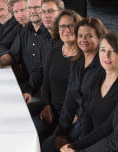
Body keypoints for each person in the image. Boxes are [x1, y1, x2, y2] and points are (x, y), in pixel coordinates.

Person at [40, 18, 108, 152]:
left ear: (100, 38)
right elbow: (70, 98)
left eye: (89, 36)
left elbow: (94, 107)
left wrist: (73, 139)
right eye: (80, 35)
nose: (83, 40)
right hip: (76, 122)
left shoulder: (103, 67)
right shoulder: (77, 63)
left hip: (91, 129)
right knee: (47, 147)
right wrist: (61, 132)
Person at [28, 9, 82, 142]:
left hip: (73, 116)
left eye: (71, 26)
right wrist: (46, 106)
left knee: (47, 147)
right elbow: (46, 83)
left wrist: (75, 117)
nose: (66, 30)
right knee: (27, 128)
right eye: (62, 26)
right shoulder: (54, 53)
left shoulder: (84, 57)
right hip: (51, 110)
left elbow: (86, 94)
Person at [0, 0, 52, 103]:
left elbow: (43, 69)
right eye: (29, 8)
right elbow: (13, 54)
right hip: (31, 86)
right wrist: (1, 61)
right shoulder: (24, 31)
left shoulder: (51, 33)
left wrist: (29, 90)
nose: (32, 11)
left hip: (46, 92)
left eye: (36, 8)